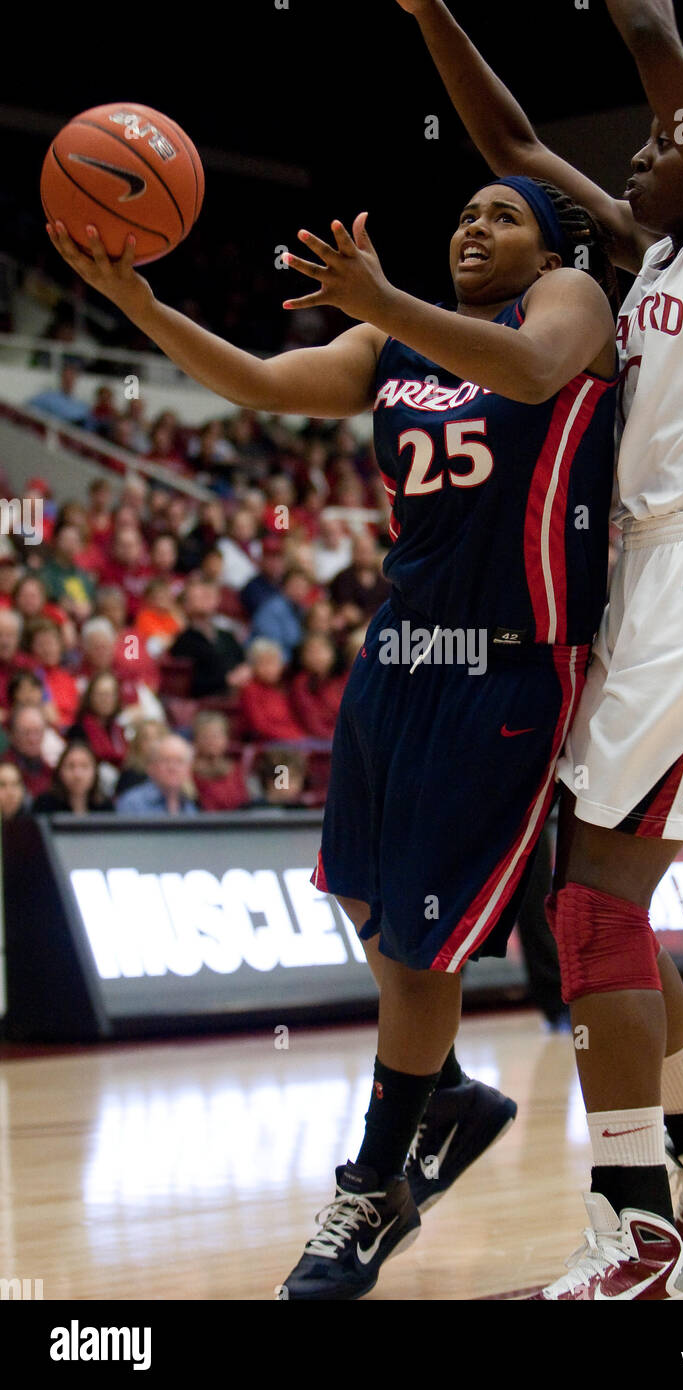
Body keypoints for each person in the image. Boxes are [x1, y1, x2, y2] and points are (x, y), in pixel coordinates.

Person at [47, 151, 618, 1302]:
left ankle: (374, 1185)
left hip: (506, 667)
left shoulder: (567, 304)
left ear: (546, 249)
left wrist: (382, 297)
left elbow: (526, 366)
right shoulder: (392, 345)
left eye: (502, 215)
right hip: (394, 656)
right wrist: (142, 304)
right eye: (461, 212)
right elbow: (261, 382)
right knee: (361, 894)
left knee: (415, 941)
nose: (474, 227)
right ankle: (445, 1091)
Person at [400, 0, 683, 1299]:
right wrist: (432, 11)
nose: (634, 164)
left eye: (660, 150)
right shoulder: (651, 258)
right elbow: (510, 135)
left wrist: (641, 25)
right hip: (652, 580)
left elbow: (663, 58)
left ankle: (637, 1235)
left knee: (590, 902)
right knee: (597, 897)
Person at [114, 733, 199, 816]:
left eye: (179, 761)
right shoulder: (132, 803)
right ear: (151, 767)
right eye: (166, 761)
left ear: (188, 769)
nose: (172, 768)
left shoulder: (190, 804)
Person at [32, 740, 114, 814]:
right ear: (60, 771)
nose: (77, 774)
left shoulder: (105, 807)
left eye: (84, 766)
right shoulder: (45, 804)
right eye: (71, 766)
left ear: (95, 771)